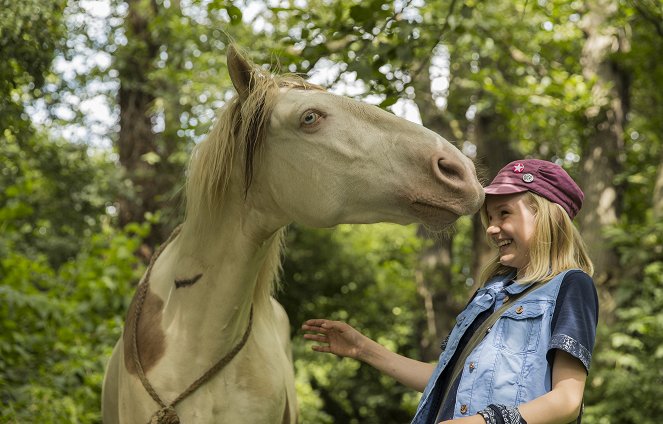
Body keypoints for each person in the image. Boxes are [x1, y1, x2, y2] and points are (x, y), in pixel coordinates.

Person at [302, 159, 598, 424]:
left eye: (504, 214)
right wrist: (363, 349)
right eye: (490, 219)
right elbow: (447, 379)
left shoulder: (571, 285)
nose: (492, 229)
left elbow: (567, 401)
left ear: (546, 216)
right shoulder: (491, 292)